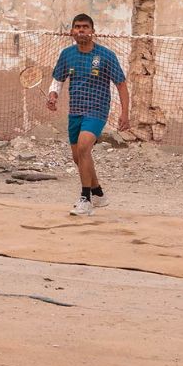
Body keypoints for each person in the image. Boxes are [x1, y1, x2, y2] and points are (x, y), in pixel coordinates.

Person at [47, 13, 130, 216]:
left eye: (85, 27)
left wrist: (125, 113)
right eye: (77, 27)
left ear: (93, 31)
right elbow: (58, 79)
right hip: (75, 111)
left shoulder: (106, 56)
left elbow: (121, 84)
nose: (81, 30)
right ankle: (98, 192)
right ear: (72, 31)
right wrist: (52, 94)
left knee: (84, 147)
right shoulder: (67, 54)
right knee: (79, 157)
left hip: (97, 110)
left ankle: (86, 199)